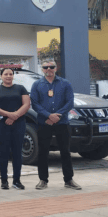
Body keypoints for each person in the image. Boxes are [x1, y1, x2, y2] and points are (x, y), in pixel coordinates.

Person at [30, 60, 81, 190]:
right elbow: (35, 104)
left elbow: (69, 102)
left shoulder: (65, 83)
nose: (49, 69)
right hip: (44, 123)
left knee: (65, 151)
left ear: (56, 68)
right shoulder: (37, 84)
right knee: (43, 152)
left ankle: (69, 180)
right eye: (45, 67)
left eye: (51, 67)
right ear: (42, 69)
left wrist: (56, 116)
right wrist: (48, 116)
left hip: (62, 122)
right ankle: (43, 180)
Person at [0, 68, 31, 190]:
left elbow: (26, 104)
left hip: (19, 124)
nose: (8, 76)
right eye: (6, 74)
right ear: (1, 76)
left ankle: (17, 180)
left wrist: (15, 116)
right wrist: (9, 115)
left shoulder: (20, 88)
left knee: (17, 153)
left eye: (11, 74)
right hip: (2, 124)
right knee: (3, 152)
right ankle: (4, 181)